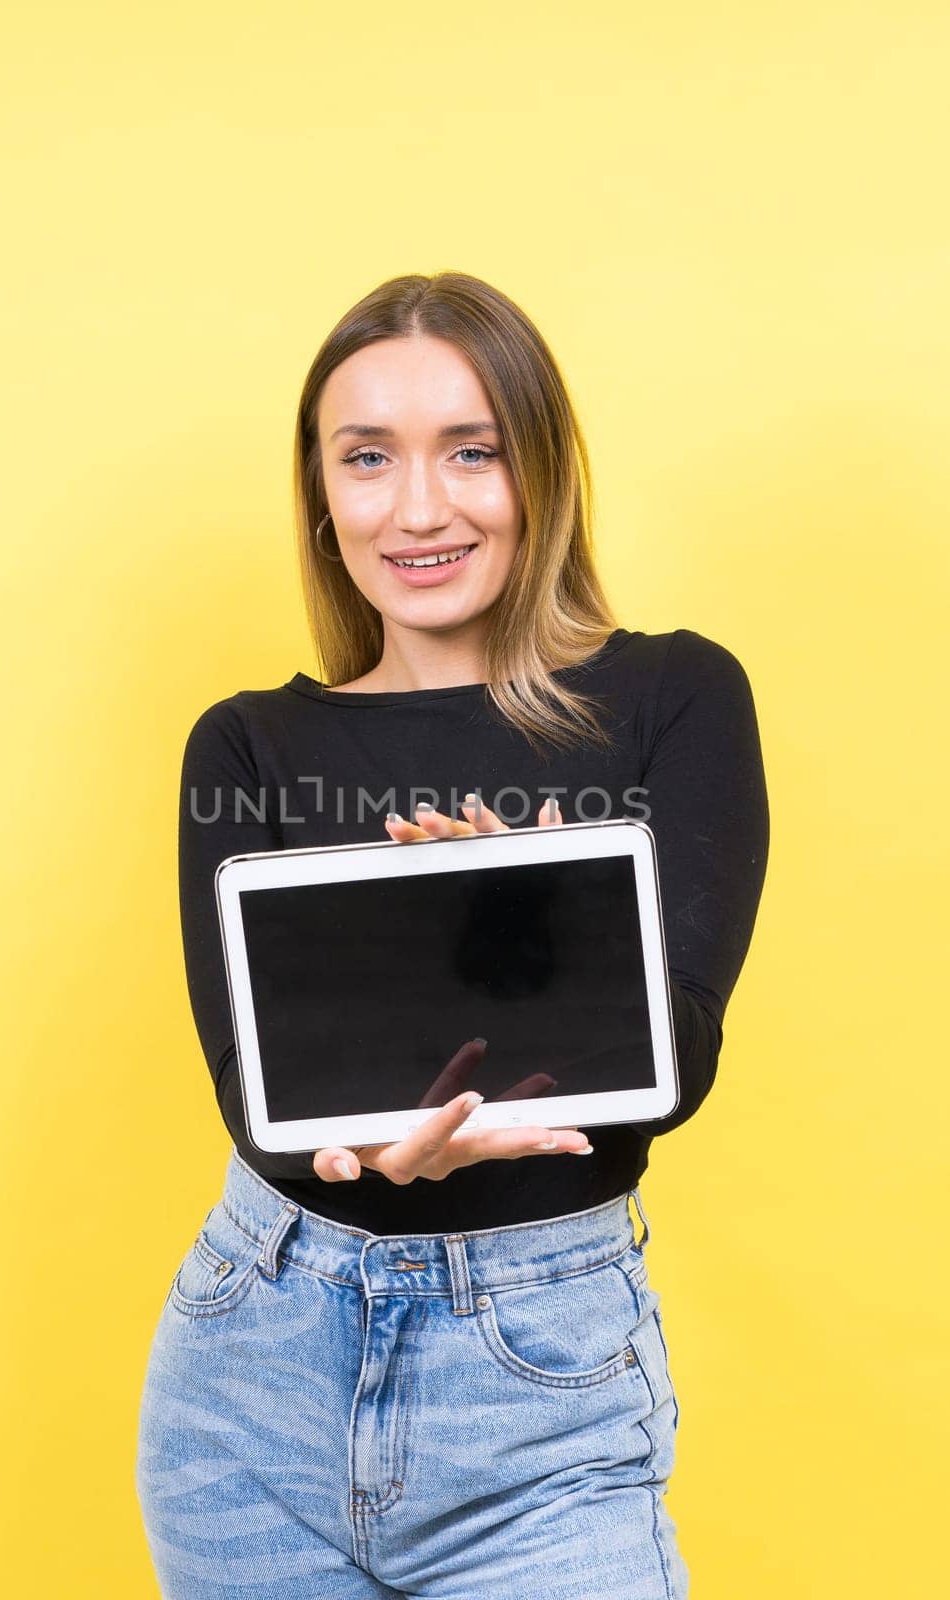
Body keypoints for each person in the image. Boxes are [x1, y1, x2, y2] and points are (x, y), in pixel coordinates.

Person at [136, 271, 770, 1599]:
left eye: (470, 452)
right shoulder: (250, 745)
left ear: (537, 470)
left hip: (542, 1392)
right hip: (252, 1375)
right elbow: (261, 1105)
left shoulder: (672, 697)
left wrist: (526, 901)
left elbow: (679, 1059)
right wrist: (358, 1151)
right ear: (321, 496)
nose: (417, 508)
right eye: (367, 459)